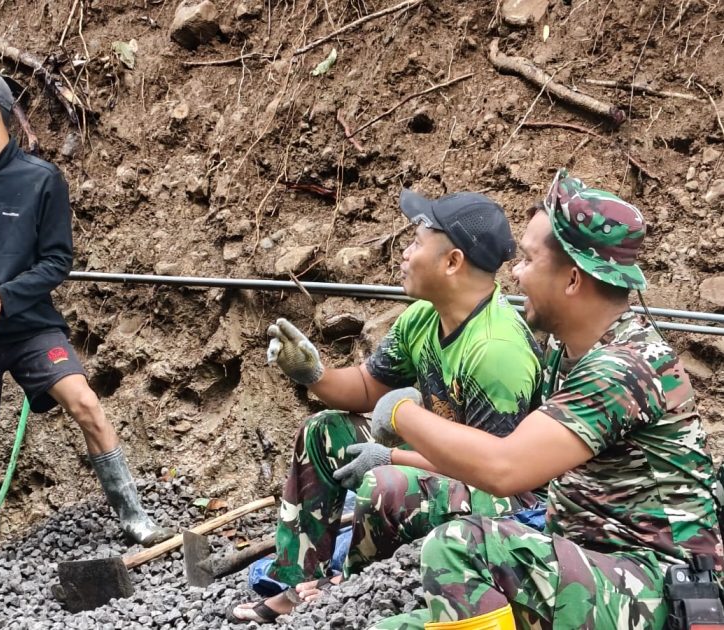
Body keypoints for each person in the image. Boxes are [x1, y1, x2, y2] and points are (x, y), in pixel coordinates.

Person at [369, 169, 724, 630]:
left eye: (528, 260)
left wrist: (401, 413)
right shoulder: (566, 351)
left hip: (658, 591)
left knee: (461, 546)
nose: (513, 273)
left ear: (573, 280)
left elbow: (504, 468)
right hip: (591, 568)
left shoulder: (624, 368)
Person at [0, 69, 173, 581]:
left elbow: (56, 261)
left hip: (28, 325)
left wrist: (4, 296)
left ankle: (134, 517)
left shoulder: (41, 179)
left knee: (86, 403)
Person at [229, 189, 544, 623]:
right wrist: (312, 374)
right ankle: (298, 581)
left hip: (511, 498)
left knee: (387, 483)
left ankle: (352, 590)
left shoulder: (497, 351)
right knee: (323, 432)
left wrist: (391, 457)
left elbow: (496, 469)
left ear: (452, 262)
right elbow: (366, 387)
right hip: (447, 463)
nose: (404, 253)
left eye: (416, 242)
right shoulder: (423, 318)